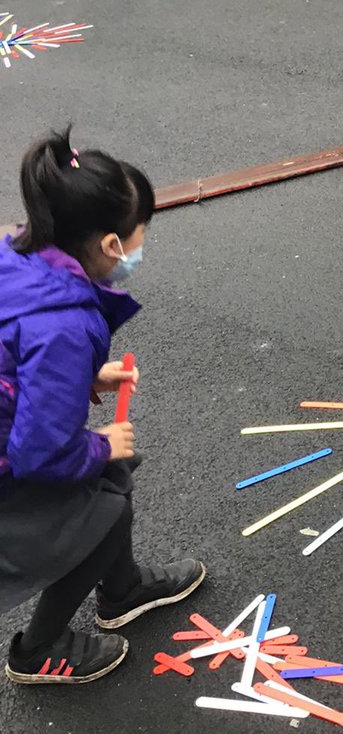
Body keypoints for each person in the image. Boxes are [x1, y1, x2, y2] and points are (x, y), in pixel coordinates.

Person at [0, 129, 204, 685]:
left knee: (110, 474)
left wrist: (83, 376)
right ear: (111, 245)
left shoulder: (18, 256)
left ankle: (122, 589)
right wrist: (97, 443)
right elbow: (41, 453)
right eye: (141, 237)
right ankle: (38, 649)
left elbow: (15, 354)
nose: (141, 248)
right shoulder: (64, 323)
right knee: (104, 500)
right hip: (11, 463)